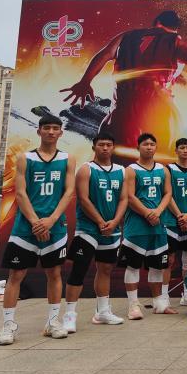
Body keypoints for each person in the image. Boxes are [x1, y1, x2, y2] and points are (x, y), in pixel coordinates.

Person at [60, 10, 187, 151]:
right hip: (158, 112)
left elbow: (103, 55)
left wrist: (85, 82)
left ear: (156, 23)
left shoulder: (126, 37)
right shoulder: (175, 41)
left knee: (117, 166)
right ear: (175, 28)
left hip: (120, 114)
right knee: (162, 165)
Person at [0, 115, 76, 345]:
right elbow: (20, 193)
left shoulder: (67, 159)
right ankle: (8, 325)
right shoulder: (26, 158)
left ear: (61, 132)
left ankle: (53, 322)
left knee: (54, 274)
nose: (51, 131)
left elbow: (69, 192)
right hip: (25, 228)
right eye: (47, 128)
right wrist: (35, 222)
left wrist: (51, 220)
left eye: (55, 128)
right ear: (39, 131)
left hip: (55, 227)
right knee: (15, 276)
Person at [63, 132, 126, 333]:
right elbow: (83, 199)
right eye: (101, 144)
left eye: (108, 144)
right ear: (94, 147)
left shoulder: (121, 171)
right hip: (88, 228)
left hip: (111, 229)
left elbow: (124, 199)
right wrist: (100, 221)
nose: (105, 148)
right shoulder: (86, 169)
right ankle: (69, 315)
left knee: (105, 269)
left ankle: (103, 312)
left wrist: (115, 222)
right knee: (79, 269)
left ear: (113, 147)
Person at [117, 133, 173, 319]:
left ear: (156, 147)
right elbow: (129, 196)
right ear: (138, 147)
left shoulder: (163, 170)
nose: (149, 147)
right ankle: (133, 305)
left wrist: (158, 211)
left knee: (157, 266)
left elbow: (167, 194)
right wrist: (147, 213)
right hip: (137, 226)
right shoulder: (131, 170)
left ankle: (159, 303)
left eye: (152, 144)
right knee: (133, 266)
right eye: (145, 144)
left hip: (158, 225)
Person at [163, 138, 187, 307]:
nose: (185, 150)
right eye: (182, 148)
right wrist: (180, 216)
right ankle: (163, 297)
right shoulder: (168, 169)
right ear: (176, 150)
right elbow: (167, 194)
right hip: (172, 221)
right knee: (169, 260)